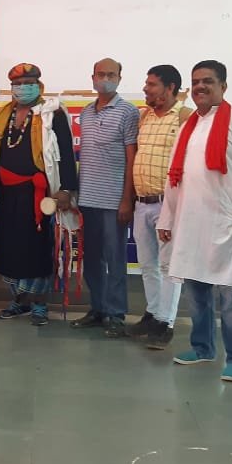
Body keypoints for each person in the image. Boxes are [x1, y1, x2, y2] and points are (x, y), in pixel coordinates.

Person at [158, 60, 232, 382]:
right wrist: (167, 218)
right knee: (196, 292)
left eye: (208, 81)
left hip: (226, 226)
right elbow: (174, 178)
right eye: (196, 81)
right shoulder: (188, 128)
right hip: (189, 224)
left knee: (231, 298)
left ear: (223, 87)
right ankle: (202, 347)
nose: (201, 87)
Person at [0, 63, 78, 326]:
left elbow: (66, 152)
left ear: (39, 85)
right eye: (18, 84)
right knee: (11, 249)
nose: (23, 88)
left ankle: (39, 305)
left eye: (28, 83)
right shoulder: (4, 114)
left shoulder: (52, 114)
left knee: (37, 250)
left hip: (39, 196)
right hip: (7, 194)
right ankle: (19, 301)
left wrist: (66, 189)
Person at [69, 58, 138, 338]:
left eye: (111, 74)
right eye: (101, 74)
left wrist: (127, 199)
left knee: (115, 259)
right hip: (88, 200)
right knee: (92, 260)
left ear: (120, 78)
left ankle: (116, 314)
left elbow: (132, 159)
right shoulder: (86, 112)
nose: (105, 79)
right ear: (93, 77)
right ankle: (98, 309)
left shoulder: (128, 111)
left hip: (114, 202)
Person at [128, 64, 191, 350]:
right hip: (142, 203)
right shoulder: (145, 117)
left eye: (152, 84)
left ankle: (166, 322)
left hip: (168, 204)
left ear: (170, 88)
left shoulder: (184, 117)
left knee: (169, 266)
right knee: (147, 265)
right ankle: (153, 314)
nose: (146, 88)